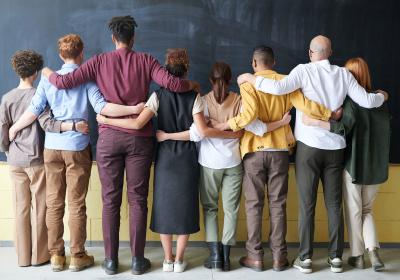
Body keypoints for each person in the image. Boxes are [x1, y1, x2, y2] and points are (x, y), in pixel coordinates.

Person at [41, 16, 199, 275]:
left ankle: (111, 261)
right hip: (140, 140)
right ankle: (138, 261)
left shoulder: (99, 61)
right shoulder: (146, 61)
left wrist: (47, 71)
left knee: (110, 201)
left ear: (113, 38)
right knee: (137, 200)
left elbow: (63, 82)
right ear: (133, 38)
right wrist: (190, 85)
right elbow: (171, 83)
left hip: (109, 139)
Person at [237, 36, 388, 273]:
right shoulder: (343, 74)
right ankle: (336, 258)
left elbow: (276, 87)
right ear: (331, 52)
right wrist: (382, 96)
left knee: (307, 204)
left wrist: (250, 78)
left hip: (308, 147)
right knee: (333, 204)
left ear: (310, 53)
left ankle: (305, 258)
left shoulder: (303, 71)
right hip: (336, 148)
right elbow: (368, 101)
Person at [97, 48, 242, 273]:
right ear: (186, 70)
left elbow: (137, 124)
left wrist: (106, 119)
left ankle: (167, 259)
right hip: (187, 158)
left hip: (164, 158)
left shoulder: (157, 96)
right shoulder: (195, 96)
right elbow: (200, 131)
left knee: (164, 206)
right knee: (184, 207)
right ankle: (180, 259)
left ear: (165, 70)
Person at [8, 34, 144, 272]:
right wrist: (133, 109)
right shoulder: (87, 80)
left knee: (53, 203)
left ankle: (56, 256)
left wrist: (14, 128)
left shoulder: (48, 81)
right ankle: (78, 256)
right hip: (78, 147)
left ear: (61, 55)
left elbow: (33, 111)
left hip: (52, 147)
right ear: (82, 54)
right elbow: (103, 107)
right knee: (76, 203)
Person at [158, 61, 290, 272]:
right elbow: (248, 129)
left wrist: (212, 128)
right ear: (230, 80)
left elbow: (197, 133)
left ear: (211, 80)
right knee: (231, 210)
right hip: (234, 162)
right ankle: (227, 257)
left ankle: (215, 256)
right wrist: (232, 132)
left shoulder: (201, 101)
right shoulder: (239, 100)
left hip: (209, 163)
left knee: (210, 209)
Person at [213, 45, 335, 272]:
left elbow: (248, 116)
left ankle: (255, 257)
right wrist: (330, 114)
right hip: (279, 150)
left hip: (254, 151)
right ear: (274, 62)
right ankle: (280, 257)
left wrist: (226, 124)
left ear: (254, 63)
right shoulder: (286, 82)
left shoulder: (248, 83)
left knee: (254, 205)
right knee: (278, 205)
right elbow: (305, 105)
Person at [0, 50, 88, 267]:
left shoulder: (7, 97)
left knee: (21, 209)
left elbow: (3, 129)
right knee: (42, 208)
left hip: (15, 159)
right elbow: (47, 123)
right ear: (37, 72)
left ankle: (22, 258)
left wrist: (8, 148)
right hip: (38, 158)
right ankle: (40, 256)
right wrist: (72, 126)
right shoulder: (40, 92)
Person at [302, 57, 390, 272]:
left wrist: (314, 122)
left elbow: (343, 129)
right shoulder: (380, 103)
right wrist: (383, 95)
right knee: (368, 210)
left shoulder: (351, 103)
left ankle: (358, 256)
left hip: (353, 166)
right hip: (376, 168)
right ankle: (374, 252)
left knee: (354, 211)